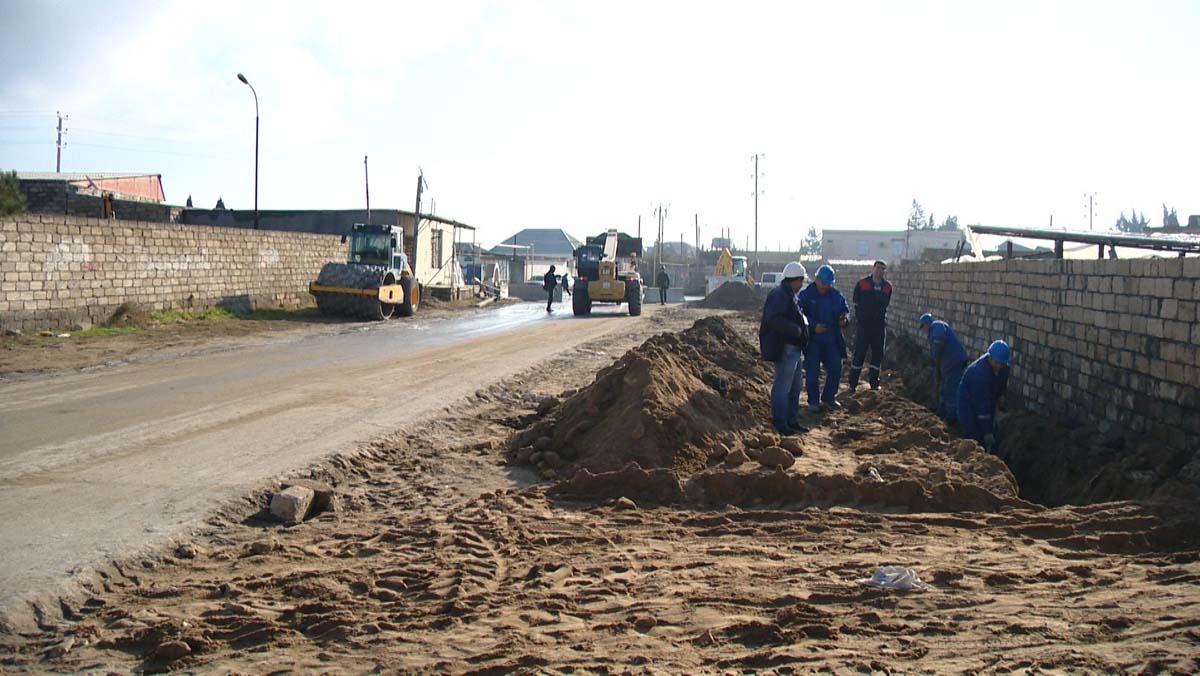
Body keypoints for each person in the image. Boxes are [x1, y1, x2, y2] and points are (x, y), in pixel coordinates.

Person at [758, 261, 810, 435]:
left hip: (793, 347)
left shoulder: (788, 295)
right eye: (801, 281)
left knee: (795, 387)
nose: (801, 285)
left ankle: (791, 421)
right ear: (794, 280)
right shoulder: (780, 295)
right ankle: (780, 422)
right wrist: (795, 330)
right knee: (782, 387)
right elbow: (774, 319)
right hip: (786, 347)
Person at [797, 264, 849, 411]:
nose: (826, 287)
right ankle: (813, 401)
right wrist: (813, 327)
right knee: (812, 370)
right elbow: (800, 315)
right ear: (817, 280)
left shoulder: (835, 296)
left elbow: (845, 309)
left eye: (828, 284)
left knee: (835, 368)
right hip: (813, 340)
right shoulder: (806, 295)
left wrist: (844, 319)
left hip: (831, 338)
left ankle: (829, 397)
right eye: (824, 283)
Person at [846, 260, 892, 391]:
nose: (880, 271)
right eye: (878, 268)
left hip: (879, 326)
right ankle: (852, 384)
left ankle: (874, 383)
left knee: (877, 354)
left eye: (882, 269)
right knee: (859, 353)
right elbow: (856, 302)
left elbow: (885, 304)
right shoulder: (862, 284)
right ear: (873, 268)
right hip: (864, 326)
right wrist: (861, 318)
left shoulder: (887, 287)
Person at [957, 340, 1011, 451]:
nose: (999, 366)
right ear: (989, 358)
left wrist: (1001, 398)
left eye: (1001, 363)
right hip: (967, 402)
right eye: (996, 363)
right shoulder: (979, 374)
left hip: (985, 396)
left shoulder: (1003, 366)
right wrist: (987, 433)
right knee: (974, 435)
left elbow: (1002, 385)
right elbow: (981, 406)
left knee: (990, 427)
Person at [919, 313, 969, 423]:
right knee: (943, 388)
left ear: (927, 324)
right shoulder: (932, 331)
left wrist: (936, 359)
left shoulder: (937, 326)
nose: (923, 330)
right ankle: (941, 412)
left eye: (923, 327)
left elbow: (939, 342)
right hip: (947, 364)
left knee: (951, 389)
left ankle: (952, 417)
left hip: (954, 362)